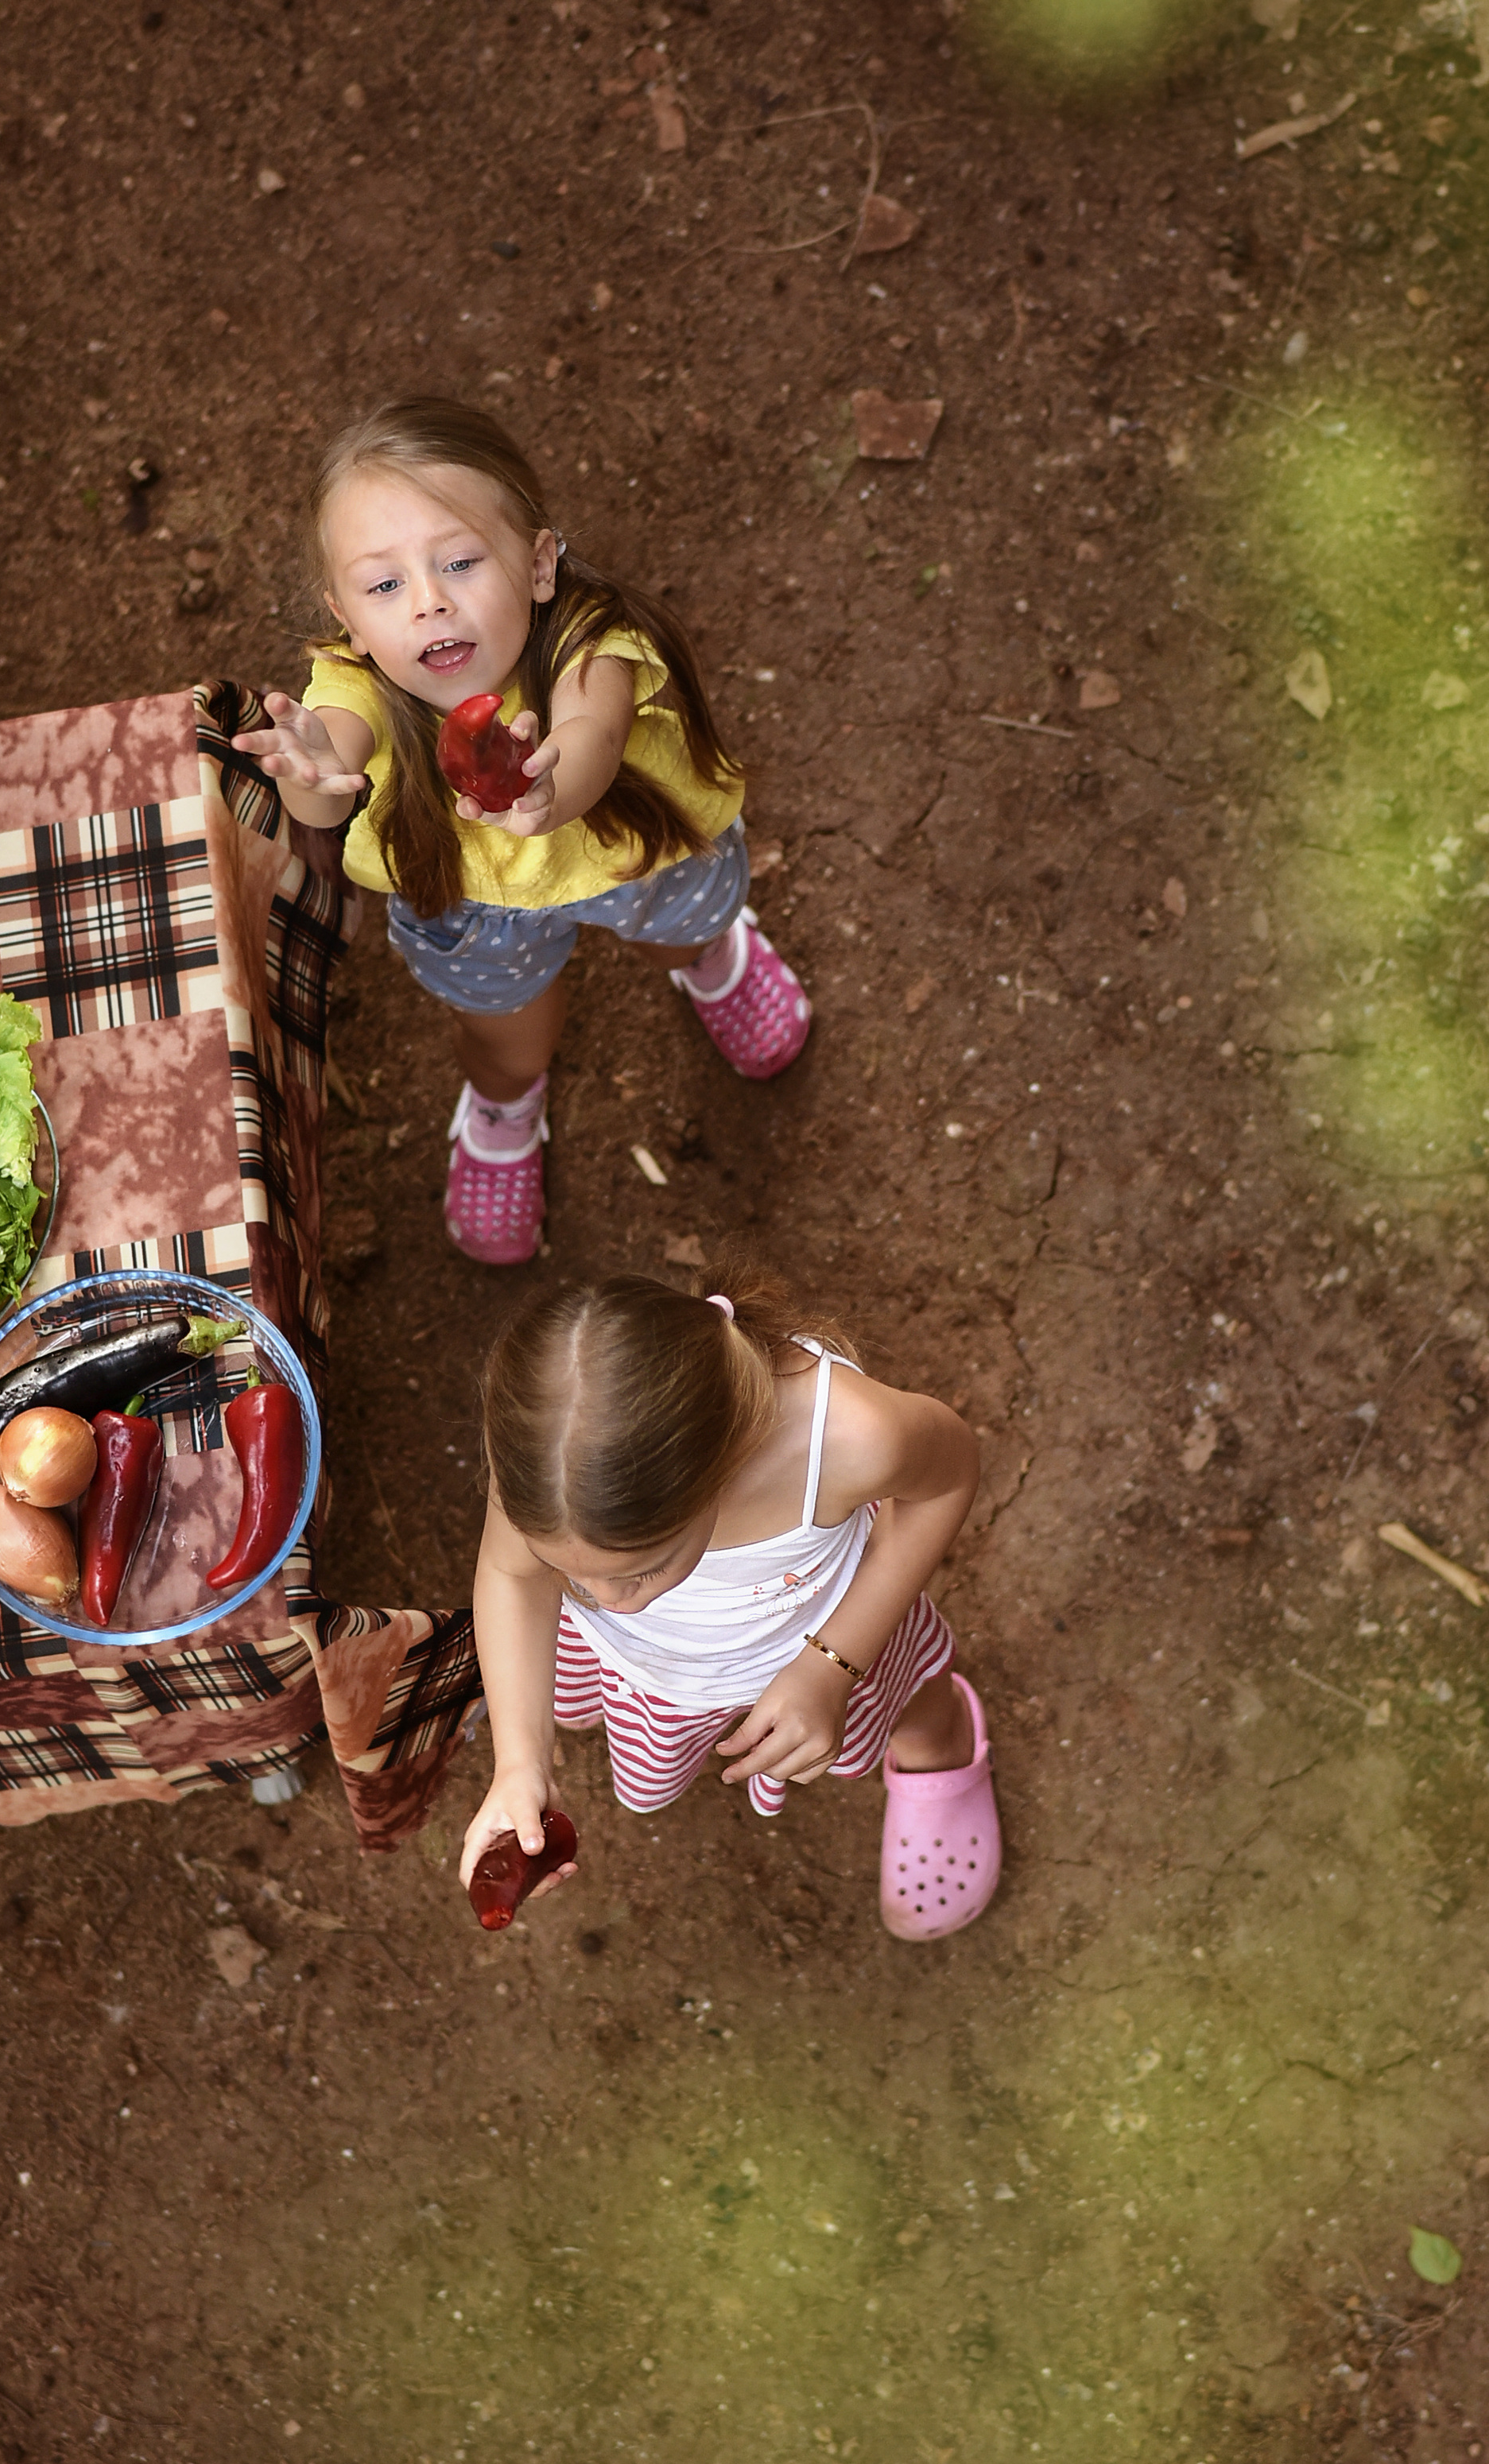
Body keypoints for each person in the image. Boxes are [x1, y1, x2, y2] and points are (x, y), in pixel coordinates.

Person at [234, 397, 810, 1267]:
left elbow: (594, 737)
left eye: (460, 561)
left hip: (634, 853)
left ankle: (708, 959)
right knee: (507, 1037)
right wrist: (312, 775)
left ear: (539, 563)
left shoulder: (589, 641)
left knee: (676, 933)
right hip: (474, 906)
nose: (427, 604)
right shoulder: (354, 685)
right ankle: (504, 1107)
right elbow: (332, 784)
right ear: (346, 616)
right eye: (385, 585)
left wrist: (549, 792)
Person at [459, 1258, 1002, 1943]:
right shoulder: (549, 1460)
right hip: (659, 1671)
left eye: (643, 1570)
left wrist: (833, 1665)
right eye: (568, 1572)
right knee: (564, 1693)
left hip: (830, 1632)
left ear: (716, 1472)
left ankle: (940, 1741)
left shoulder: (846, 1436)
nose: (608, 1604)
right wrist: (519, 1761)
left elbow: (949, 1480)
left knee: (901, 1698)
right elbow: (511, 1577)